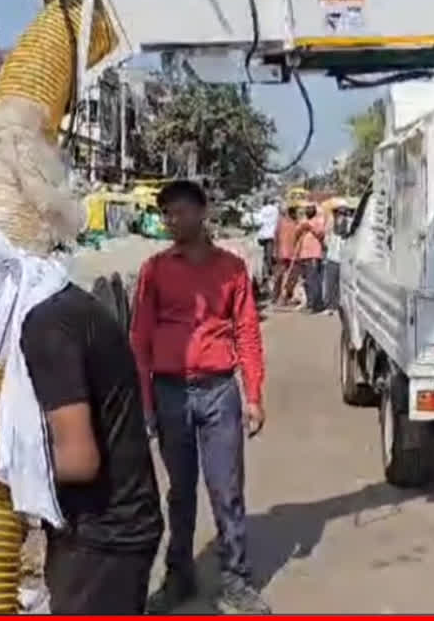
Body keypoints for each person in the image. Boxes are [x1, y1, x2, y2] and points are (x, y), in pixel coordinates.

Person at [0, 222, 164, 615]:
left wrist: (6, 466)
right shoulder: (48, 294)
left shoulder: (45, 331)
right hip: (102, 526)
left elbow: (80, 460)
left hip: (107, 536)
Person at [131, 180, 271, 615]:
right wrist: (146, 403)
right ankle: (179, 576)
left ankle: (236, 580)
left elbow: (247, 332)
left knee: (226, 489)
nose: (172, 220)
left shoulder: (231, 270)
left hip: (219, 393)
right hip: (170, 392)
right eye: (167, 213)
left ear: (202, 213)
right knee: (180, 493)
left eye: (179, 211)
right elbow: (140, 339)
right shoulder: (154, 270)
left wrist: (253, 395)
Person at [295, 201, 326, 313]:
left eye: (310, 208)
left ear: (314, 210)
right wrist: (301, 227)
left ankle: (316, 304)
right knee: (307, 280)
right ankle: (309, 302)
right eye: (307, 209)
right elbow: (296, 234)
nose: (308, 211)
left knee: (314, 280)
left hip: (314, 254)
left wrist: (310, 227)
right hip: (303, 254)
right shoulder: (303, 221)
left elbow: (321, 234)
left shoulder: (318, 221)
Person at [323, 203, 351, 313]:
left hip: (344, 260)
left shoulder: (348, 224)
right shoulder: (331, 224)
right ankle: (331, 306)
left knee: (342, 285)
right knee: (330, 283)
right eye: (339, 213)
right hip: (332, 257)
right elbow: (326, 241)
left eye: (343, 213)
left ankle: (340, 306)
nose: (341, 215)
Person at [272, 203, 300, 306]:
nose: (294, 213)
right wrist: (275, 251)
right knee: (280, 276)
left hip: (292, 254)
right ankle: (278, 296)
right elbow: (276, 237)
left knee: (291, 276)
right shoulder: (281, 222)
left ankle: (286, 295)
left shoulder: (296, 223)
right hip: (283, 253)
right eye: (292, 211)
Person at [254, 199, 280, 296]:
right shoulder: (275, 209)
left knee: (265, 257)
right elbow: (278, 221)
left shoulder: (263, 210)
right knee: (270, 257)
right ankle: (269, 274)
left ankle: (266, 275)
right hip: (272, 235)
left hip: (263, 236)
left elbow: (258, 222)